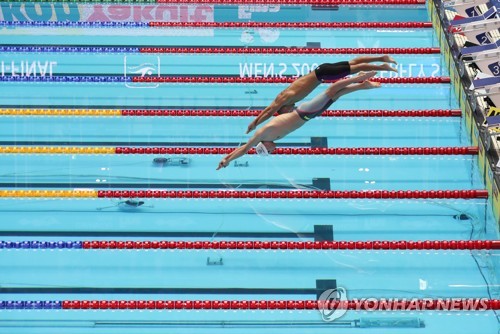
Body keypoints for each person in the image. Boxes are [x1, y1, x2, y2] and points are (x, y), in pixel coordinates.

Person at [217, 71, 380, 170]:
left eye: (270, 151)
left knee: (331, 91)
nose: (274, 150)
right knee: (335, 95)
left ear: (264, 147)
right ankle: (362, 85)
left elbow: (244, 149)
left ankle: (359, 78)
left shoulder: (262, 134)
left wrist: (227, 160)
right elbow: (244, 148)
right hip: (308, 116)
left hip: (304, 113)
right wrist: (226, 159)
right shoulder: (270, 137)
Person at [246, 55, 397, 134]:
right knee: (353, 63)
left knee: (356, 68)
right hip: (321, 69)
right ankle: (381, 58)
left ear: (283, 108)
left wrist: (255, 123)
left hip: (323, 75)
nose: (291, 111)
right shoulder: (285, 96)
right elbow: (270, 109)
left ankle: (381, 66)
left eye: (285, 112)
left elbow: (269, 110)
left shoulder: (284, 99)